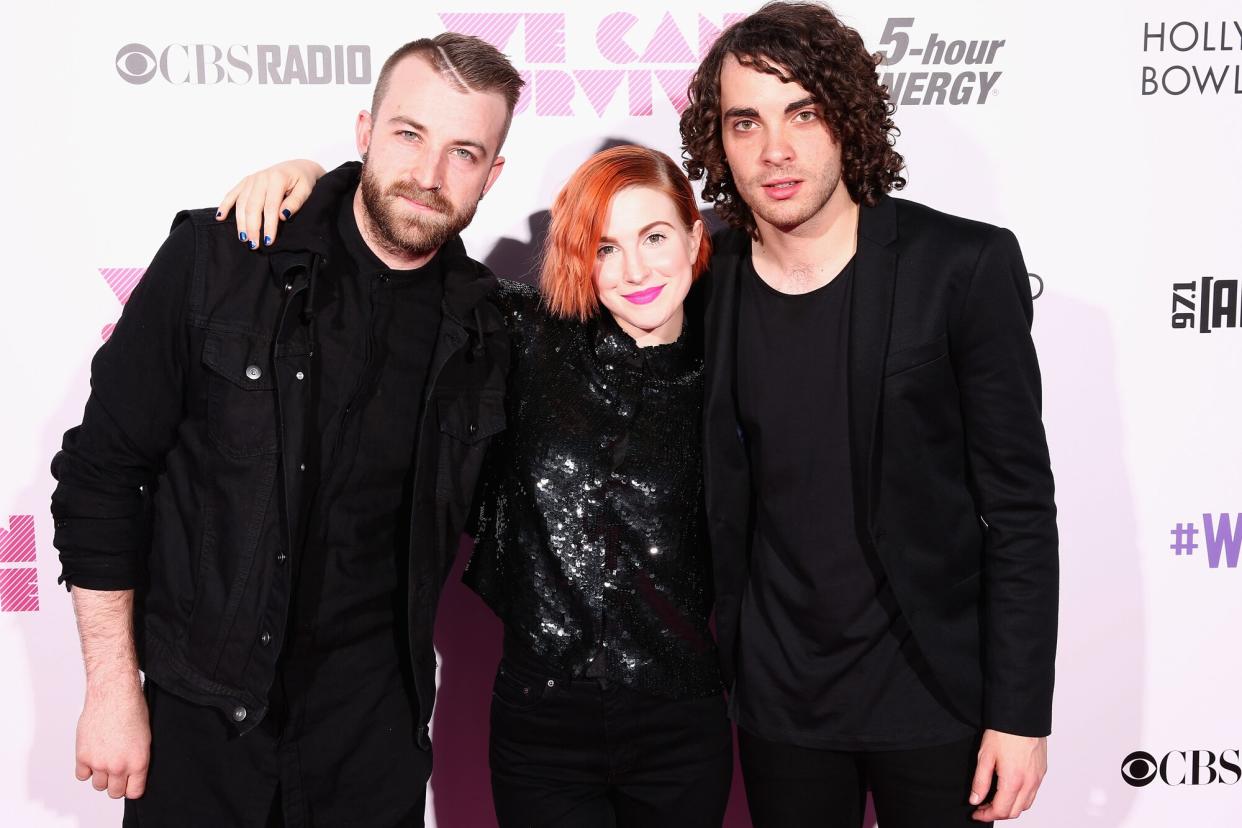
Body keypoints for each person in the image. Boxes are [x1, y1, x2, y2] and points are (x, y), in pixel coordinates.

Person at [50, 33, 521, 826]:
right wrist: (110, 691)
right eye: (409, 135)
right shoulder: (221, 259)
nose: (428, 175)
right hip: (203, 731)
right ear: (366, 131)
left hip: (370, 750)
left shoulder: (487, 333)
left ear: (492, 174)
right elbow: (102, 472)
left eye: (463, 151)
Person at [224, 145, 732, 828]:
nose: (635, 270)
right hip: (543, 726)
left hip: (683, 724)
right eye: (606, 248)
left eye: (655, 237)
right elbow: (395, 256)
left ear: (696, 236)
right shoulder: (520, 333)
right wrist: (310, 180)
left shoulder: (736, 358)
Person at [679, 3, 1058, 826]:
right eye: (746, 123)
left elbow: (1020, 509)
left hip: (934, 696)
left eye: (802, 114)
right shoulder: (705, 279)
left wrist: (1020, 711)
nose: (775, 150)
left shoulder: (963, 267)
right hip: (780, 707)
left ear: (846, 117)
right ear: (720, 141)